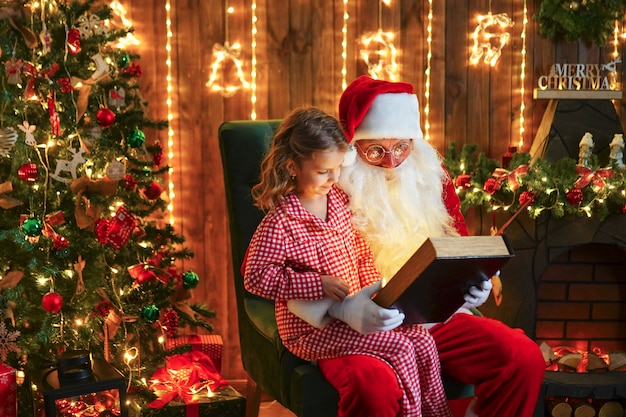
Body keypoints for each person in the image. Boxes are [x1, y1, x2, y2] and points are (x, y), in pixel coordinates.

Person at [289, 76, 546, 417]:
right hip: (355, 329)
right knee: (372, 385)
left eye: (401, 147)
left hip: (432, 319)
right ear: (353, 149)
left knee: (521, 357)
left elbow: (457, 245)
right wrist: (342, 309)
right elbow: (289, 271)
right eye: (375, 150)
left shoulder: (429, 177)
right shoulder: (325, 186)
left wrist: (471, 284)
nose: (391, 161)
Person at [243, 106, 454, 417]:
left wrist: (377, 295)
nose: (334, 178)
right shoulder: (282, 221)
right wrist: (317, 284)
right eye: (323, 171)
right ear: (292, 168)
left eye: (339, 168)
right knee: (402, 348)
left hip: (355, 312)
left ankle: (439, 414)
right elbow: (256, 277)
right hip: (311, 330)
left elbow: (360, 252)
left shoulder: (340, 201)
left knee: (421, 339)